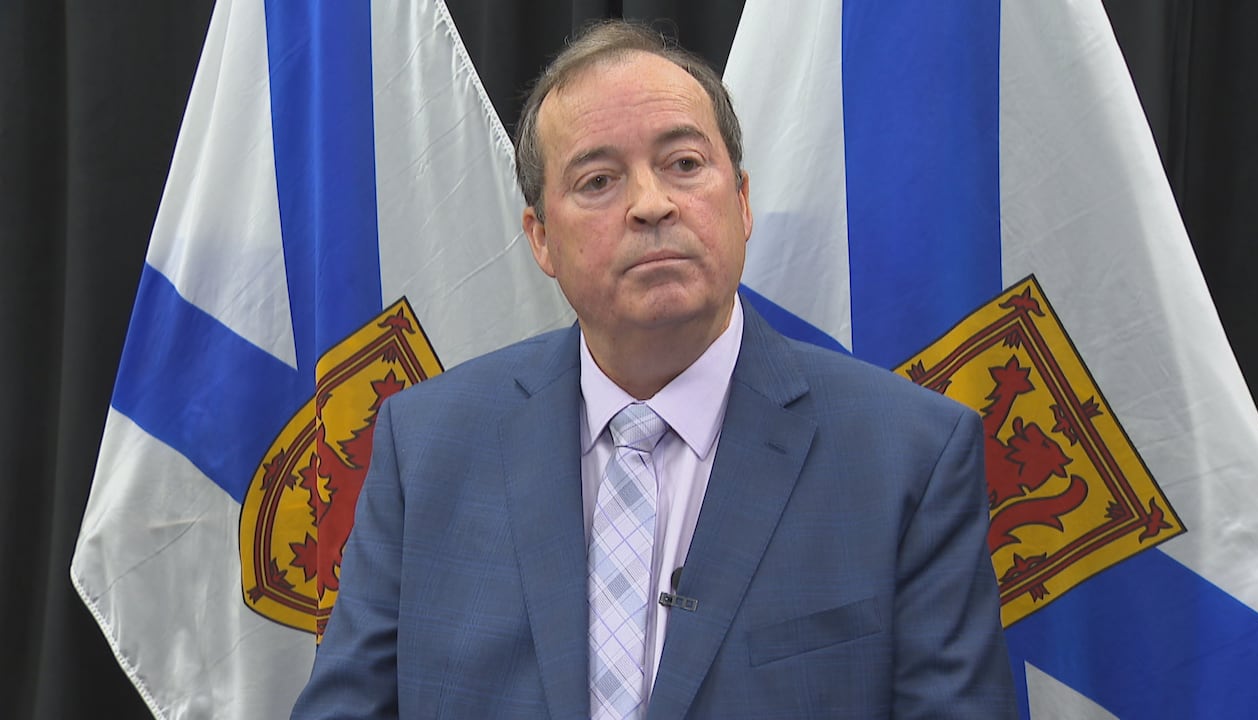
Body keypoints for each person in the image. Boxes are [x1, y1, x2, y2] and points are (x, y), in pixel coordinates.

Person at [293, 19, 1016, 719]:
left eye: (684, 164)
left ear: (742, 200)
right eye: (599, 180)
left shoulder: (910, 457)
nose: (651, 204)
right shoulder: (426, 447)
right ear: (541, 238)